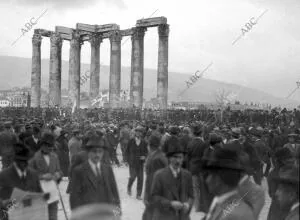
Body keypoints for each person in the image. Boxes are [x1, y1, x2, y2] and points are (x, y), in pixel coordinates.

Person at [69, 133, 120, 211]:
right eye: (94, 151)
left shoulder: (107, 169)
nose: (97, 155)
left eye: (100, 152)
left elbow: (114, 191)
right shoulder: (79, 171)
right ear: (88, 152)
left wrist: (117, 210)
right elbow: (74, 197)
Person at [203, 147, 255, 220]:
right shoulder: (220, 201)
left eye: (210, 174)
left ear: (219, 179)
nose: (207, 180)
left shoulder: (237, 215)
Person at [151, 141, 194, 220]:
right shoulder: (159, 175)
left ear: (183, 159)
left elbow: (191, 196)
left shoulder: (187, 175)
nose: (178, 161)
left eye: (180, 157)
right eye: (175, 157)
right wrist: (170, 204)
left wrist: (188, 204)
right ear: (169, 158)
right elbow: (154, 197)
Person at [0, 143, 43, 220]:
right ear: (15, 160)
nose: (24, 164)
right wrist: (11, 202)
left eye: (26, 160)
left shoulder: (34, 174)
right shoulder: (3, 176)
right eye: (21, 161)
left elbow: (40, 195)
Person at [29, 132, 63, 220]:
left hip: (53, 193)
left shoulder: (54, 156)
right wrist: (42, 177)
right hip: (39, 194)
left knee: (53, 217)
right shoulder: (34, 158)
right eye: (48, 145)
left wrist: (58, 174)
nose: (51, 148)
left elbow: (60, 171)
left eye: (52, 145)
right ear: (42, 145)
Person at [142, 135, 168, 220]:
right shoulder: (159, 155)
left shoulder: (155, 159)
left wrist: (147, 195)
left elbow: (152, 179)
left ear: (149, 145)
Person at [126, 126, 148, 200]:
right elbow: (127, 151)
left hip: (140, 163)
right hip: (132, 163)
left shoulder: (144, 142)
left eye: (140, 132)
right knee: (133, 177)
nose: (138, 133)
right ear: (135, 132)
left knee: (141, 179)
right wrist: (128, 160)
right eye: (137, 131)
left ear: (142, 133)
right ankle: (129, 186)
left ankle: (138, 194)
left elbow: (146, 152)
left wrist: (144, 156)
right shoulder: (131, 141)